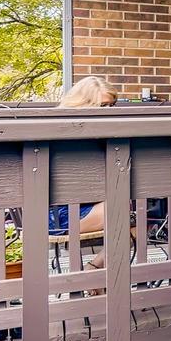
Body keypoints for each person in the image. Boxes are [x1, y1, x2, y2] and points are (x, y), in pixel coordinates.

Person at [50, 76, 118, 239]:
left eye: (111, 106)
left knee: (140, 219)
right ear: (83, 103)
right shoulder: (67, 133)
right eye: (102, 106)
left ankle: (93, 266)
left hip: (84, 206)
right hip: (59, 214)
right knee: (126, 211)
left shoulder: (98, 133)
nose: (108, 111)